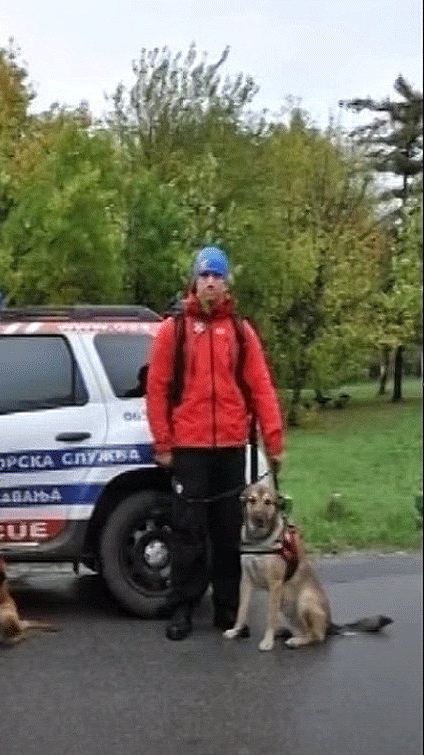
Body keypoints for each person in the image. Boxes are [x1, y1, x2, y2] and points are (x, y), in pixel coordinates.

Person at [145, 246, 283, 641]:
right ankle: (183, 606)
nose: (211, 283)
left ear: (225, 284)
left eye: (218, 276)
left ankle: (227, 609)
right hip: (188, 447)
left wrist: (273, 441)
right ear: (194, 281)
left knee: (227, 530)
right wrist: (164, 443)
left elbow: (261, 387)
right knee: (187, 530)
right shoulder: (175, 329)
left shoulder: (240, 331)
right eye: (205, 276)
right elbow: (157, 390)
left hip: (230, 446)